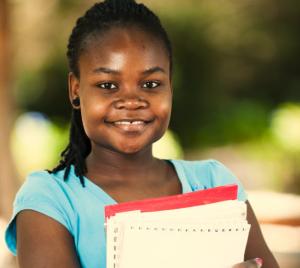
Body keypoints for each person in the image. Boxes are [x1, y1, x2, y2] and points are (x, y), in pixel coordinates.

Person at [4, 0, 279, 267]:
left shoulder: (213, 182)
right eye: (108, 85)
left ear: (169, 86)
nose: (132, 100)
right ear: (76, 89)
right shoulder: (50, 200)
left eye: (150, 83)